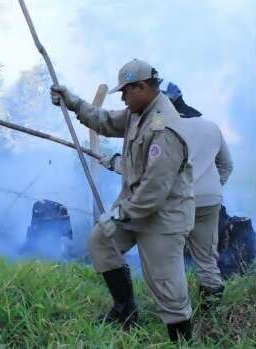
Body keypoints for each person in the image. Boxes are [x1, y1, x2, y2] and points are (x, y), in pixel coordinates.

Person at [50, 59, 195, 342]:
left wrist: (117, 215)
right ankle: (125, 310)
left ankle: (182, 340)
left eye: (125, 92)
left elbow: (154, 192)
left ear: (141, 87)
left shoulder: (164, 126)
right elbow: (104, 121)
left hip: (162, 217)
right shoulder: (136, 112)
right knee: (101, 241)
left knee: (166, 286)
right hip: (134, 208)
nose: (123, 98)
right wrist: (73, 102)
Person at [101, 82, 233, 310]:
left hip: (173, 202)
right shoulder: (211, 126)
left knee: (168, 262)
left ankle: (171, 311)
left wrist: (112, 162)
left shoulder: (159, 127)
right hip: (209, 201)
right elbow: (226, 166)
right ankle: (212, 313)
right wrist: (210, 188)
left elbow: (144, 170)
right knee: (206, 258)